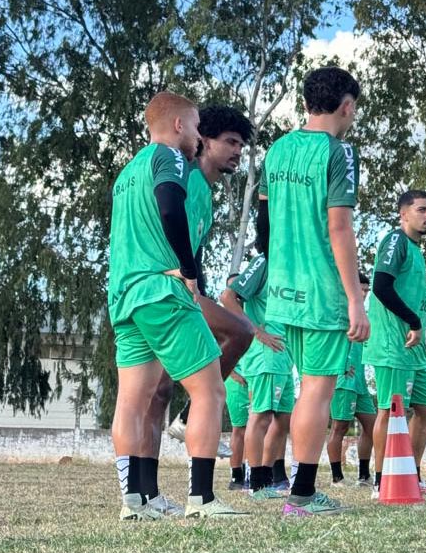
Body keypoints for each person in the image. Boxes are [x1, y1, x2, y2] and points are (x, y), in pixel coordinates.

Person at [113, 105, 256, 514]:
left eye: (241, 145)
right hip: (164, 289)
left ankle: (138, 499)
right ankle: (201, 497)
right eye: (230, 142)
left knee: (143, 397)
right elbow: (169, 211)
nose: (237, 151)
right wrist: (188, 274)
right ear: (198, 137)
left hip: (127, 293)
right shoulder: (178, 165)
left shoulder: (134, 173)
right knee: (212, 384)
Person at [258, 66, 368, 517]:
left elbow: (264, 225)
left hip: (282, 290)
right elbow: (339, 228)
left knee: (307, 387)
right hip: (323, 291)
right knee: (316, 391)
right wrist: (355, 299)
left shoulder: (277, 150)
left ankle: (298, 491)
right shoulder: (338, 152)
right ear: (347, 106)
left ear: (306, 103)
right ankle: (302, 495)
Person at [367, 191, 426, 493]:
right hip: (393, 344)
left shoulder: (415, 249)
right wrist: (413, 321)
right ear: (403, 214)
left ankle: (412, 476)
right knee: (390, 410)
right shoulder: (395, 241)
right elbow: (381, 286)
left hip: (414, 348)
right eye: (422, 210)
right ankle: (381, 481)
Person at [220, 250, 295, 500]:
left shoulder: (292, 264)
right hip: (266, 356)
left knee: (282, 420)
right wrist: (257, 332)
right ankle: (256, 484)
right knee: (261, 416)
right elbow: (227, 297)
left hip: (285, 357)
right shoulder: (264, 261)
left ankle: (268, 479)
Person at [327, 273, 376, 487]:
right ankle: (337, 477)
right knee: (339, 426)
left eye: (366, 290)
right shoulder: (340, 311)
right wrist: (341, 367)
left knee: (372, 426)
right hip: (343, 380)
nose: (363, 293)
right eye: (360, 289)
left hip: (360, 382)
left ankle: (364, 476)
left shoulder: (364, 315)